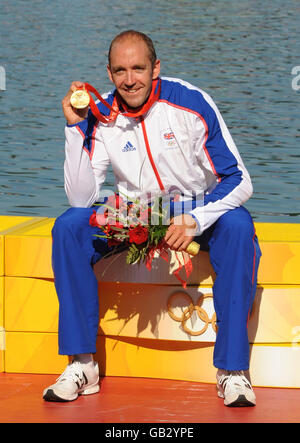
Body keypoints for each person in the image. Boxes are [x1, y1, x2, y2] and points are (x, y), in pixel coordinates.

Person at [43, 30, 261, 407]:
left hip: (197, 209)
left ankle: (232, 371)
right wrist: (75, 127)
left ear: (156, 68)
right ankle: (82, 364)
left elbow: (239, 179)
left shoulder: (191, 103)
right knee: (69, 226)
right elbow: (81, 198)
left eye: (139, 68)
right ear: (109, 74)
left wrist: (194, 219)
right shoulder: (101, 116)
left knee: (239, 226)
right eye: (121, 70)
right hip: (133, 214)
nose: (130, 80)